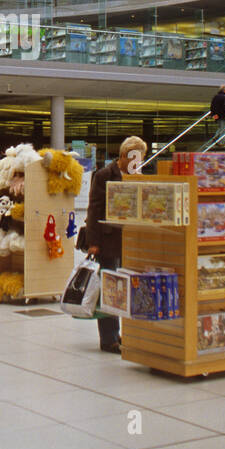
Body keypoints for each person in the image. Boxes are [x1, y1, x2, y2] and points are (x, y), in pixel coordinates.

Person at [80, 136, 146, 353]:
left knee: (124, 288)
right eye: (135, 157)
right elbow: (94, 209)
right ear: (124, 156)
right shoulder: (104, 175)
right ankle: (108, 338)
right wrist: (93, 243)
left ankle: (118, 333)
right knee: (111, 288)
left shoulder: (137, 177)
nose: (138, 162)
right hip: (108, 242)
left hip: (130, 242)